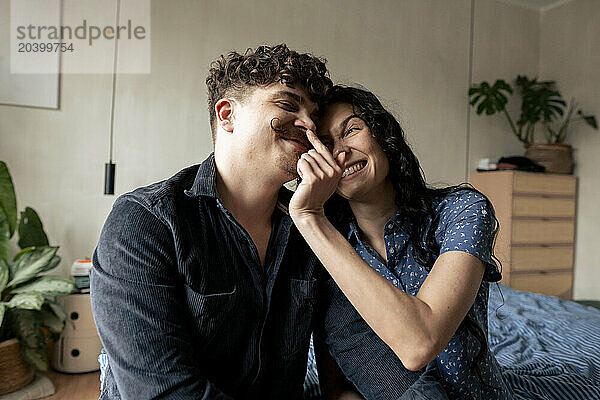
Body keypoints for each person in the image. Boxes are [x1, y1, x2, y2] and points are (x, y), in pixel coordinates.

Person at [90, 43, 334, 399]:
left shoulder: (313, 228)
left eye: (314, 114)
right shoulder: (145, 222)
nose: (310, 124)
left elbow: (354, 347)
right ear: (226, 115)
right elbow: (163, 392)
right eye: (286, 104)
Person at [289, 86, 515, 399]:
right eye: (326, 145)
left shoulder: (463, 210)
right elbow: (338, 388)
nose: (341, 153)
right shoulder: (330, 250)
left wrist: (309, 216)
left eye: (351, 130)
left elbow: (421, 342)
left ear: (382, 135)